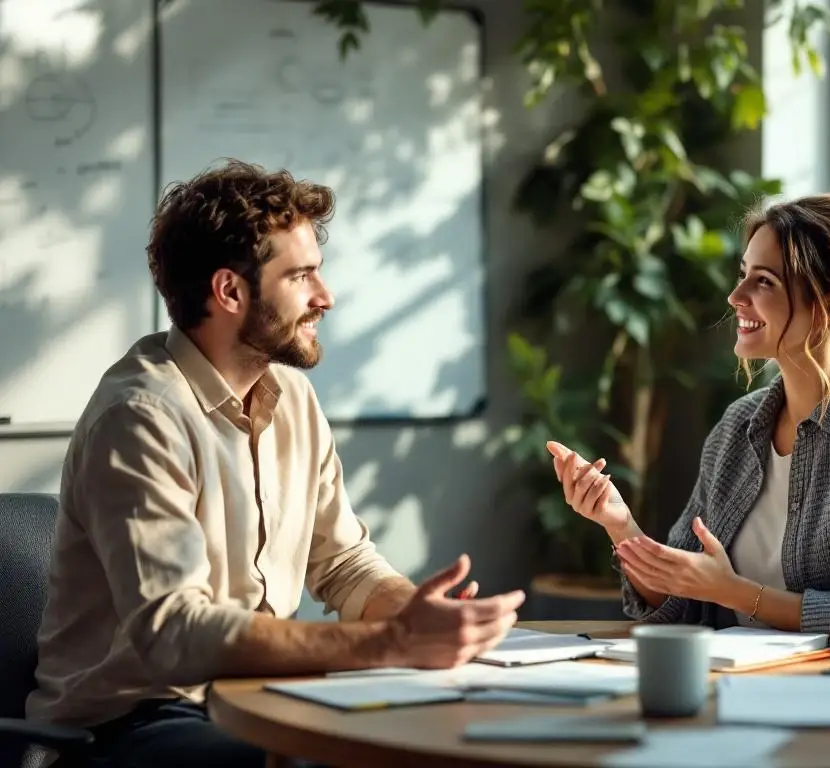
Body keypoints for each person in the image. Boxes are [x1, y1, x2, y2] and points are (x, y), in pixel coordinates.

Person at [27, 160, 524, 767]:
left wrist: (420, 615)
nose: (326, 297)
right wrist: (388, 643)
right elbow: (174, 633)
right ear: (230, 291)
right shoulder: (139, 417)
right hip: (130, 724)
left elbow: (343, 563)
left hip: (257, 696)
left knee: (446, 735)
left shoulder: (291, 398)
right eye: (302, 277)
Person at [547, 193, 830, 652]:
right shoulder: (738, 426)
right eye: (743, 276)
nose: (736, 297)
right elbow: (681, 602)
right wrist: (619, 524)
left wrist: (733, 592)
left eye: (765, 282)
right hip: (750, 692)